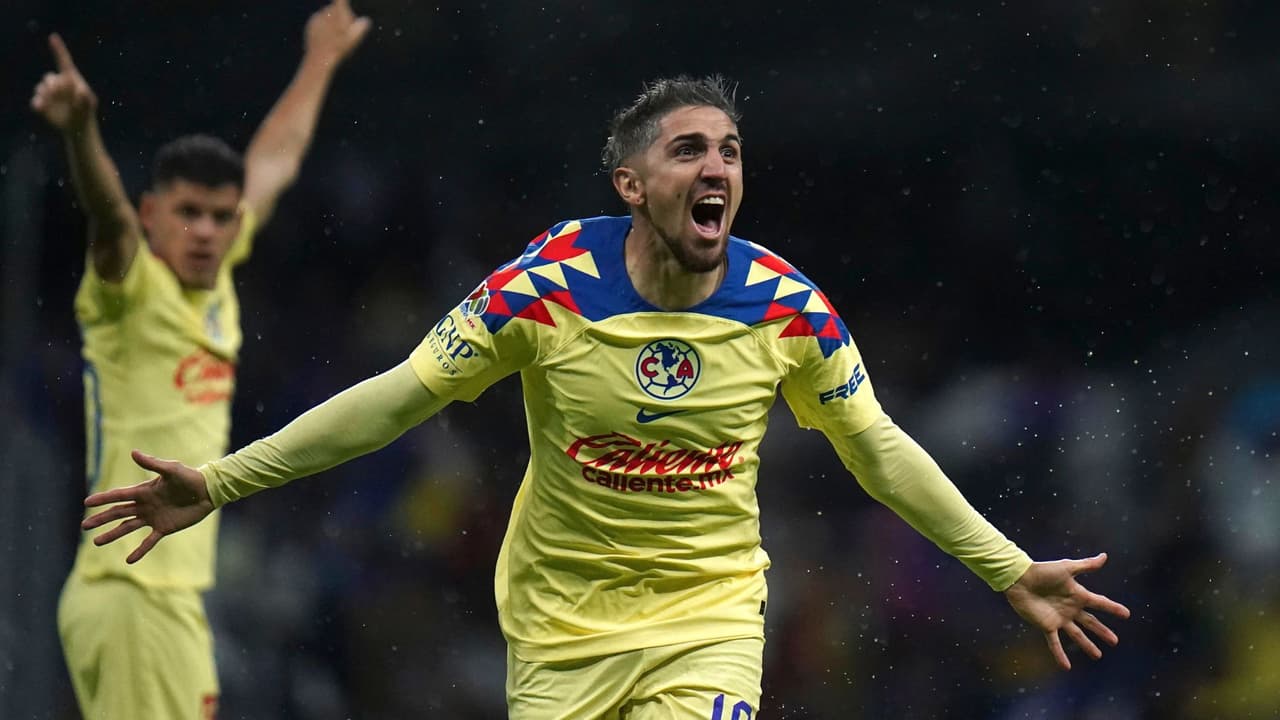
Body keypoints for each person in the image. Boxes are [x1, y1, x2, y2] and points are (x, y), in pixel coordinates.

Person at [82, 75, 1130, 719]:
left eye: (728, 150)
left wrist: (1005, 569)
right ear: (631, 185)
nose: (715, 165)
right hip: (557, 631)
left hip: (708, 616)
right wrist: (219, 482)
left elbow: (878, 449)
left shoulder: (785, 308)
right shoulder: (543, 290)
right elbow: (397, 399)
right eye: (687, 149)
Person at [32, 2, 370, 718]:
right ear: (153, 212)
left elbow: (273, 161)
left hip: (170, 597)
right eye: (188, 213)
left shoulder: (215, 281)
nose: (207, 232)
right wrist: (83, 130)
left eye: (220, 217)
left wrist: (319, 60)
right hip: (129, 594)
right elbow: (108, 216)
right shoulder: (128, 287)